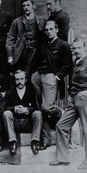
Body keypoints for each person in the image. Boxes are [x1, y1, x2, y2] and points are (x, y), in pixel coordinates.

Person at [49, 39, 87, 169]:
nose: (76, 50)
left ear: (84, 48)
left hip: (84, 99)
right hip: (74, 100)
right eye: (74, 48)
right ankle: (63, 158)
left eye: (79, 48)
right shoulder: (75, 63)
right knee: (61, 126)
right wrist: (70, 95)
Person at [31, 20, 73, 150]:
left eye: (51, 29)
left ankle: (61, 113)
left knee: (47, 107)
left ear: (56, 30)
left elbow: (68, 65)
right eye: (46, 30)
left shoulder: (63, 45)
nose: (48, 32)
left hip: (51, 76)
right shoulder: (43, 46)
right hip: (38, 76)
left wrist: (57, 76)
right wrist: (34, 75)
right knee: (39, 109)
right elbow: (37, 61)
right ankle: (46, 139)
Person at [3, 70, 42, 155]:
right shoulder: (10, 92)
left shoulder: (31, 91)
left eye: (21, 79)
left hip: (28, 122)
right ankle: (12, 142)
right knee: (6, 113)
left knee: (38, 113)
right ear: (14, 80)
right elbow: (5, 107)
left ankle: (35, 141)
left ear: (26, 80)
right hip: (15, 123)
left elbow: (36, 107)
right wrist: (14, 109)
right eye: (17, 79)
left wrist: (26, 109)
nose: (19, 81)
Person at [6, 0, 44, 78]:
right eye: (24, 6)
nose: (26, 8)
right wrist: (10, 56)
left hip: (36, 52)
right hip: (21, 52)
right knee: (21, 75)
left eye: (28, 5)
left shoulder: (41, 21)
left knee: (33, 76)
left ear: (33, 6)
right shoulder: (17, 22)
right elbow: (10, 39)